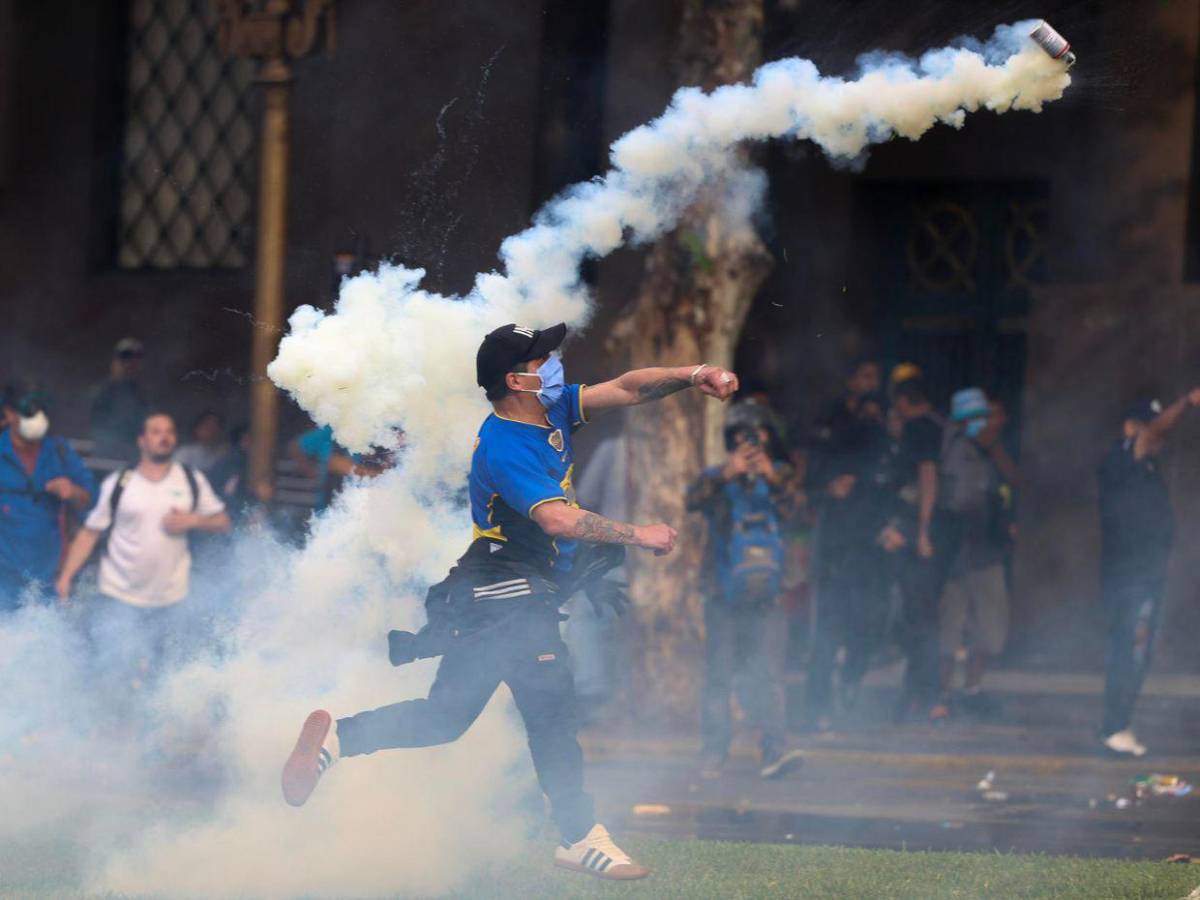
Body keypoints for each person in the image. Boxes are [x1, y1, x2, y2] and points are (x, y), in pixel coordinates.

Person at [281, 322, 739, 881]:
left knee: (444, 718)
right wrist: (639, 534)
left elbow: (627, 388)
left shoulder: (553, 411)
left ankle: (339, 737)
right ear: (516, 378)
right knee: (550, 710)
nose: (554, 362)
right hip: (507, 591)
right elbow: (556, 518)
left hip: (496, 593)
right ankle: (578, 835)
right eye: (542, 358)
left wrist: (695, 375)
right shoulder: (504, 444)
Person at [56, 413, 231, 681]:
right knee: (115, 669)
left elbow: (222, 521)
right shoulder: (120, 482)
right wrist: (67, 575)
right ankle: (113, 719)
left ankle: (154, 721)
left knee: (163, 675)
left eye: (169, 431)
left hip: (171, 597)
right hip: (119, 596)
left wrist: (193, 519)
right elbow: (90, 533)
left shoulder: (190, 479)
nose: (164, 437)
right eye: (156, 431)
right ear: (142, 440)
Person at [687, 402, 803, 778]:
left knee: (767, 674)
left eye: (758, 436)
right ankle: (713, 754)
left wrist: (771, 478)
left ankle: (773, 752)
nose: (752, 445)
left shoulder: (781, 477)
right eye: (743, 438)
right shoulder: (717, 478)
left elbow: (800, 513)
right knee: (719, 674)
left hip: (767, 595)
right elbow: (692, 499)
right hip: (723, 593)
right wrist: (727, 474)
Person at [1096, 389, 1200, 757]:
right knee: (1130, 650)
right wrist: (1187, 402)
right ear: (1131, 427)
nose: (1158, 439)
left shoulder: (1148, 466)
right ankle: (1114, 727)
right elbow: (1153, 434)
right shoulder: (1121, 457)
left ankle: (1119, 724)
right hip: (1129, 578)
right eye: (1148, 428)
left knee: (1139, 650)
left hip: (1146, 576)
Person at [804, 379, 894, 729]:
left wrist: (893, 526)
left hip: (872, 562)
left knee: (867, 632)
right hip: (837, 561)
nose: (869, 419)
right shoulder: (834, 454)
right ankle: (817, 711)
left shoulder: (886, 457)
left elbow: (897, 497)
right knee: (826, 638)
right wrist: (828, 490)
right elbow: (809, 495)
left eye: (876, 412)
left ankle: (850, 682)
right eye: (864, 411)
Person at [935, 388, 1021, 717]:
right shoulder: (952, 451)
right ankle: (941, 696)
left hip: (986, 554)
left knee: (987, 630)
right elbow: (957, 502)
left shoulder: (990, 453)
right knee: (949, 629)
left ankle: (972, 691)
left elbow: (1012, 483)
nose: (989, 423)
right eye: (982, 417)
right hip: (957, 557)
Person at [880, 379, 955, 722]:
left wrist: (923, 530)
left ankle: (926, 697)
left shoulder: (920, 429)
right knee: (919, 617)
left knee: (920, 619)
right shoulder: (940, 426)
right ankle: (918, 695)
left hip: (920, 533)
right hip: (935, 532)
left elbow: (927, 477)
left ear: (904, 402)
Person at [0, 381, 95, 608]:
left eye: (40, 410)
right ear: (10, 414)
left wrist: (73, 491)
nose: (37, 417)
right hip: (4, 578)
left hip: (49, 576)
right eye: (29, 411)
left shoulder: (60, 451)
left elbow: (93, 498)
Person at [89, 337, 150, 461]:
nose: (129, 364)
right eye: (124, 360)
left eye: (134, 360)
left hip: (134, 457)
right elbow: (95, 425)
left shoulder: (142, 394)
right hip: (107, 456)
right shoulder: (101, 391)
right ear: (114, 363)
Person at [176, 409, 230, 477]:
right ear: (197, 429)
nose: (211, 431)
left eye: (215, 426)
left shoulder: (225, 452)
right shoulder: (184, 453)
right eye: (207, 427)